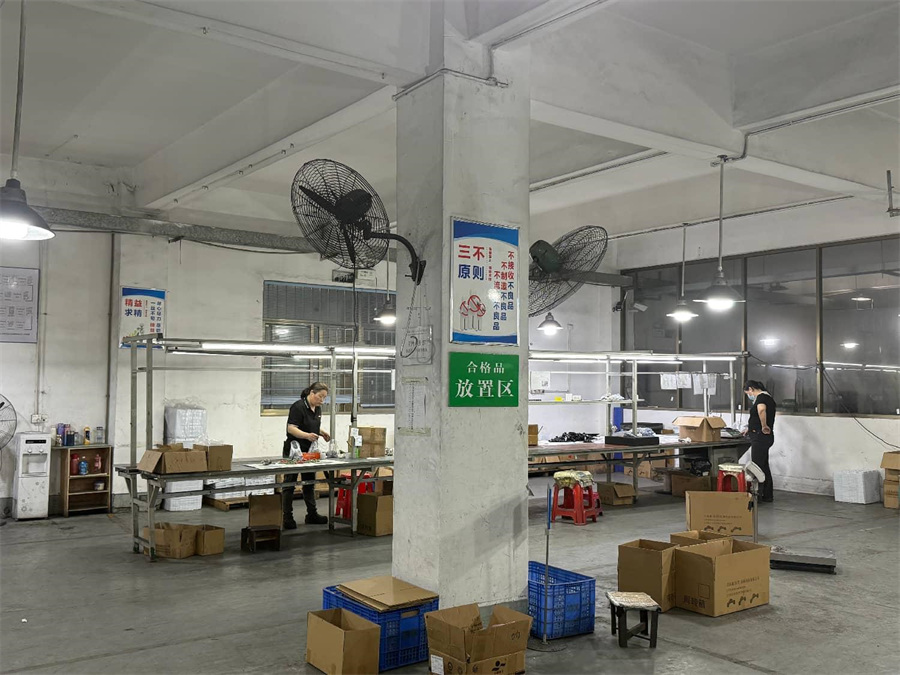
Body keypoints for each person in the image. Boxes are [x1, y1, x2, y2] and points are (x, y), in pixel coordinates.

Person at [282, 382, 331, 528]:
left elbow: (311, 425)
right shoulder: (298, 407)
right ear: (312, 393)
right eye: (320, 396)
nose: (322, 400)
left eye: (324, 398)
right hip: (294, 450)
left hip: (309, 452)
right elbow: (291, 428)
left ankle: (312, 514)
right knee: (289, 484)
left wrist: (322, 432)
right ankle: (287, 517)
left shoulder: (317, 409)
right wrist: (307, 436)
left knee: (309, 483)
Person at [743, 380, 776, 503]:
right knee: (763, 465)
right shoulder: (768, 397)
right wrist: (749, 428)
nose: (749, 396)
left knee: (756, 467)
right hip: (764, 436)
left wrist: (764, 426)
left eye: (748, 393)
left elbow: (761, 410)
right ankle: (767, 495)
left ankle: (757, 495)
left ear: (751, 389)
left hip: (760, 436)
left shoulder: (761, 397)